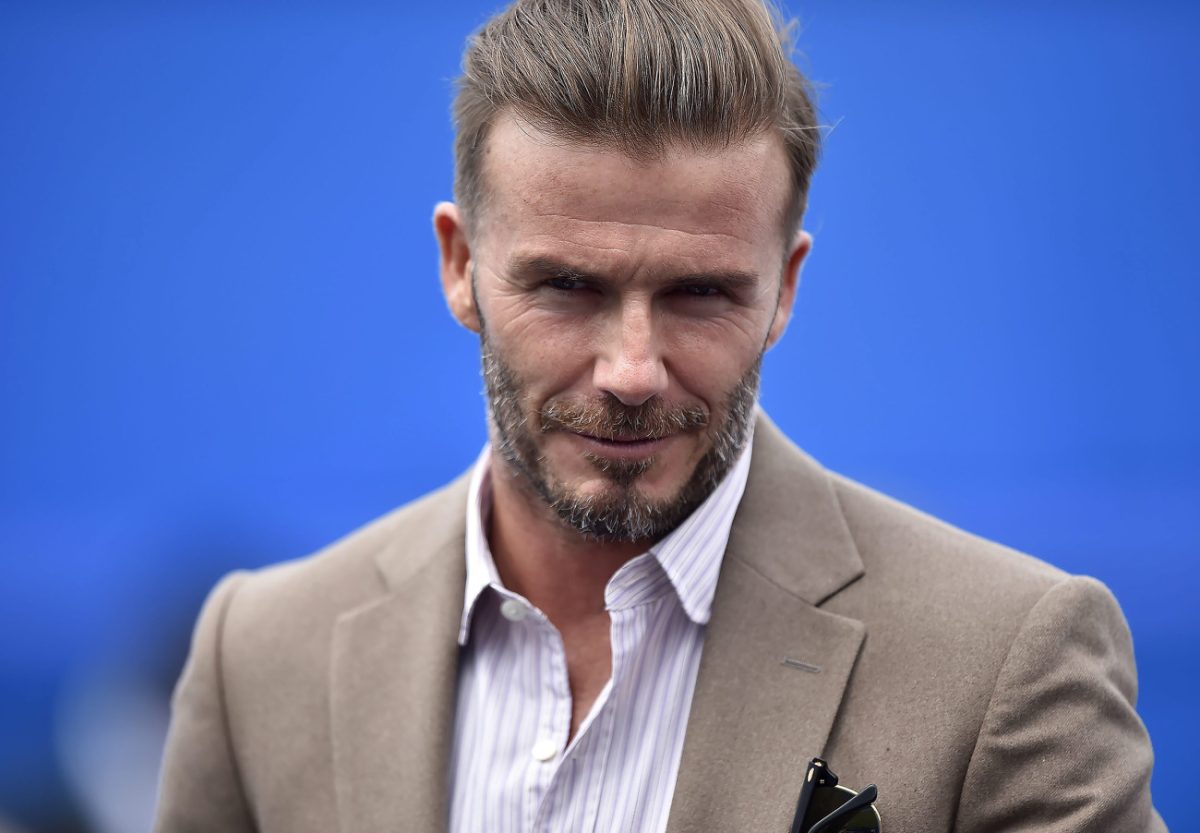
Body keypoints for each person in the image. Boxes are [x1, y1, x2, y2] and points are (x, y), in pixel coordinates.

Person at [154, 1, 1165, 831]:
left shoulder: (1007, 661)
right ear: (460, 265)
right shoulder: (259, 658)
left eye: (700, 293)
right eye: (567, 287)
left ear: (785, 288)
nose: (632, 371)